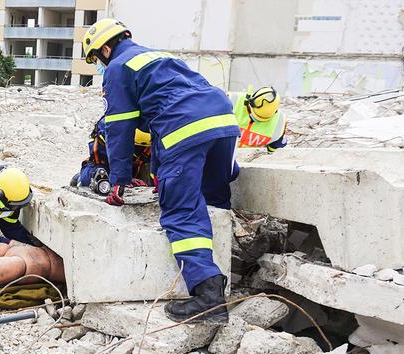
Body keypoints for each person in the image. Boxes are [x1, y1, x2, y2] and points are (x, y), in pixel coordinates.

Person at [81, 18, 240, 324]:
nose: (99, 66)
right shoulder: (159, 57)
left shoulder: (118, 67)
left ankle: (208, 297)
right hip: (222, 120)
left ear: (104, 47)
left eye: (96, 60)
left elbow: (120, 127)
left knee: (181, 211)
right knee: (213, 200)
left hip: (184, 126)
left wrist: (119, 181)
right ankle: (228, 272)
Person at [71, 116, 153, 193]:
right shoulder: (110, 129)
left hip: (134, 165)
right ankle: (80, 179)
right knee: (96, 176)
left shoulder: (153, 127)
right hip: (105, 163)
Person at [229, 86, 287, 152]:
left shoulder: (279, 123)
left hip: (248, 159)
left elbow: (274, 152)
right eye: (255, 116)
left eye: (261, 119)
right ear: (249, 102)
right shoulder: (232, 101)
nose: (256, 120)